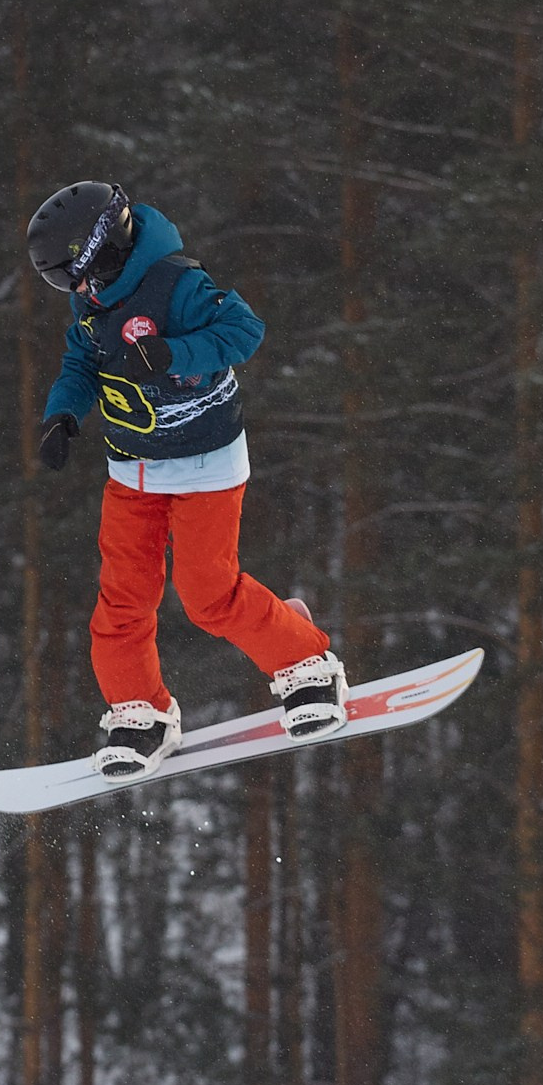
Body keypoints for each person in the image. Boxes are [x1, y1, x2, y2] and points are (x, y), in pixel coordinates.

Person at [27, 180, 349, 780]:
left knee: (208, 594)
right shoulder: (93, 303)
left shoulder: (178, 286)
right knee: (122, 598)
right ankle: (141, 713)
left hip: (205, 465)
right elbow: (81, 362)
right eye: (64, 284)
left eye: (74, 277)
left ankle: (306, 664)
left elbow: (244, 332)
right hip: (132, 470)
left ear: (101, 250)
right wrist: (63, 413)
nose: (76, 292)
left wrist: (174, 353)